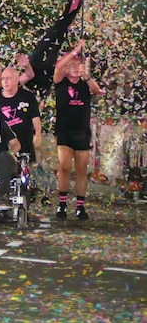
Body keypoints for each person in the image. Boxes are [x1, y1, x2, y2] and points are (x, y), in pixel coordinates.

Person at [52, 40, 103, 220]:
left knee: (81, 170)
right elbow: (59, 66)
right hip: (64, 131)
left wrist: (87, 76)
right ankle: (62, 204)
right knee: (65, 166)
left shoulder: (84, 84)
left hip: (82, 131)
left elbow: (98, 91)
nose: (74, 68)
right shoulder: (60, 82)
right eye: (72, 66)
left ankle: (80, 205)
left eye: (78, 66)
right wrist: (75, 52)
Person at [0, 67, 42, 165]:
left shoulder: (27, 96)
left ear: (17, 79)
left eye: (9, 78)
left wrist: (38, 134)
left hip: (26, 140)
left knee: (28, 170)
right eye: (3, 78)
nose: (5, 82)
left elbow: (35, 116)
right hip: (7, 145)